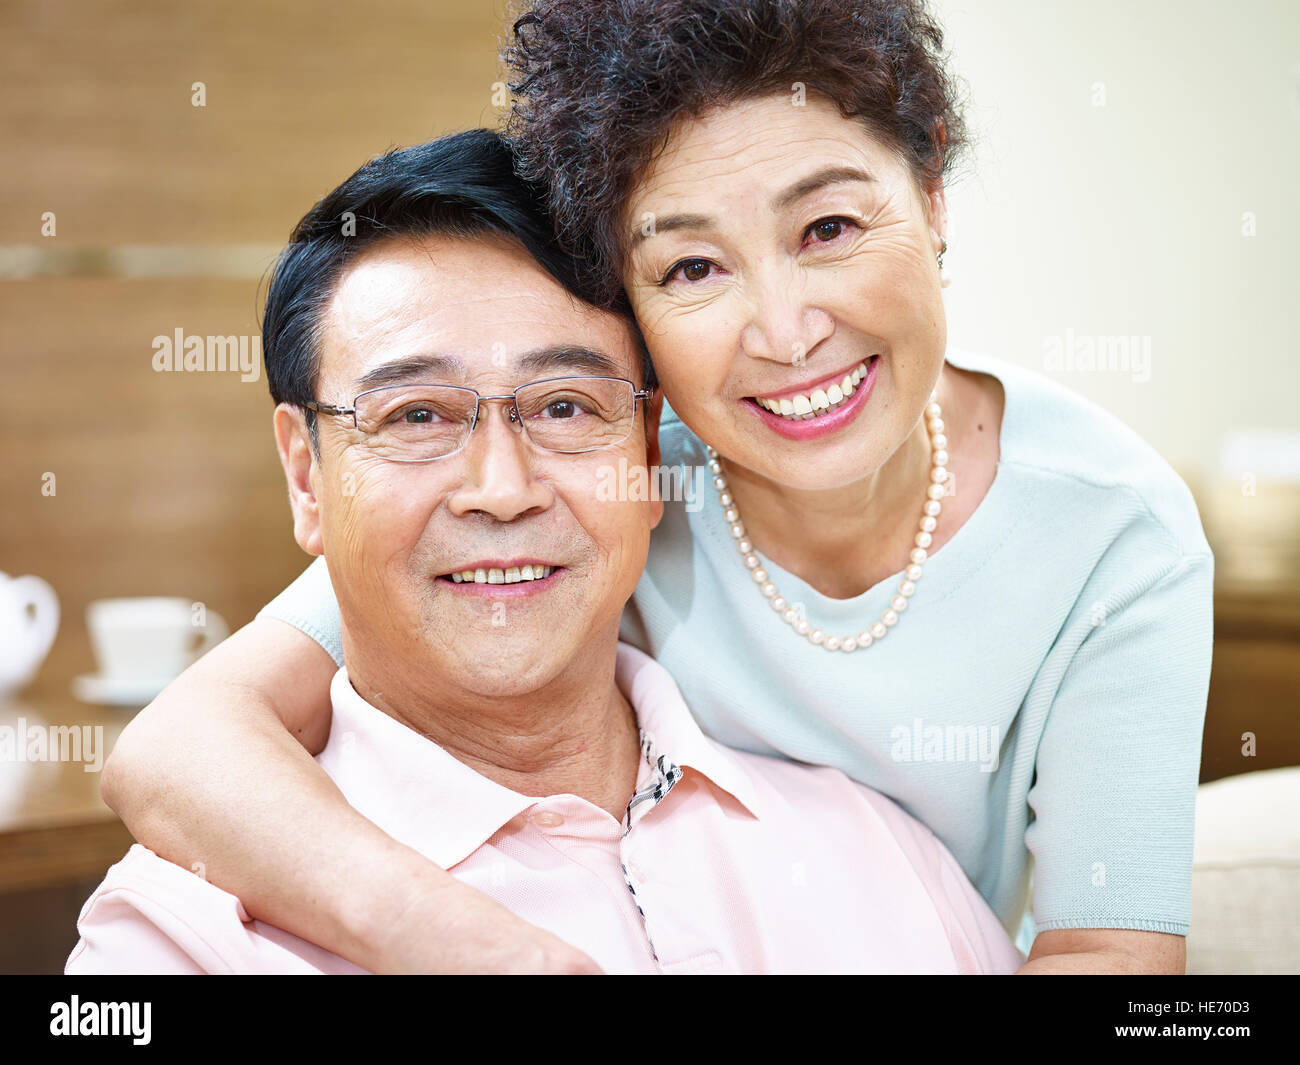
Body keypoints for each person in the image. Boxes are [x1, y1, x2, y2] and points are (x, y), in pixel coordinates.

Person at [100, 0, 1214, 974]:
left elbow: (1109, 948)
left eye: (826, 227)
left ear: (929, 195)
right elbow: (182, 741)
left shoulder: (1112, 533)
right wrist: (445, 937)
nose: (784, 333)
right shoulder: (607, 477)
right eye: (691, 268)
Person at [67, 132, 1021, 974]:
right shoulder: (184, 938)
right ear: (307, 478)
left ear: (650, 457)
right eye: (416, 416)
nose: (503, 486)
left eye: (566, 406)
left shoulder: (877, 850)